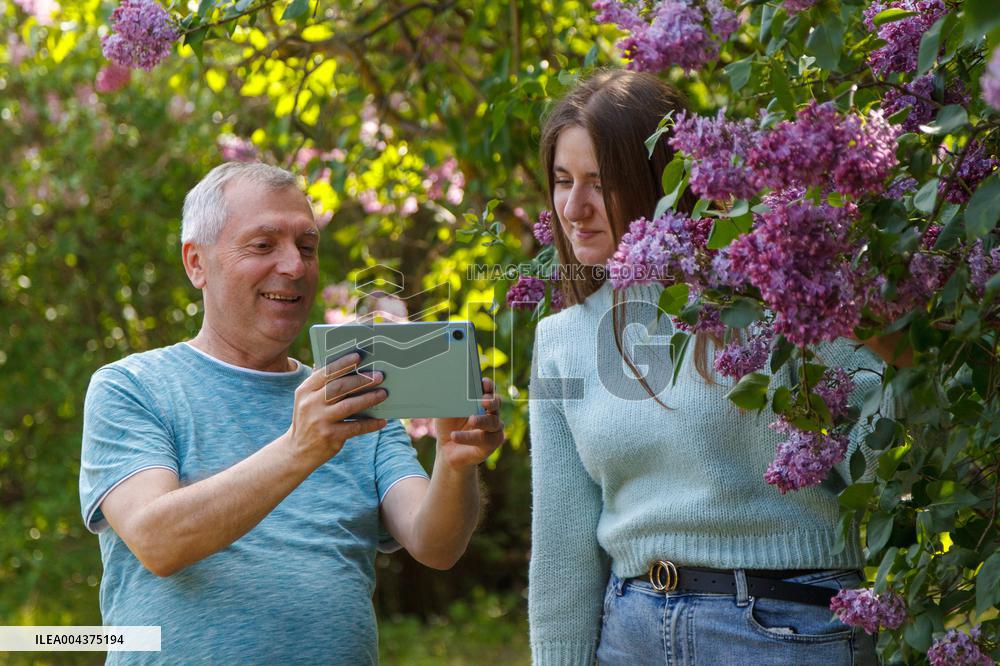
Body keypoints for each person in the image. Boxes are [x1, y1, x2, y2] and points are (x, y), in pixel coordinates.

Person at [79, 162, 504, 664]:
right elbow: (158, 541)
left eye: (307, 246)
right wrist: (300, 449)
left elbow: (436, 545)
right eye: (263, 245)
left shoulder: (357, 396)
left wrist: (454, 464)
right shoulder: (131, 387)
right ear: (196, 263)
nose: (295, 266)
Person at [527, 70, 885, 665]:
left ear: (659, 183)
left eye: (600, 183)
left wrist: (890, 340)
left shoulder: (769, 297)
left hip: (780, 628)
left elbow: (878, 459)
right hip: (630, 634)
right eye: (563, 181)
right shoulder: (559, 339)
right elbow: (562, 547)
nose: (573, 207)